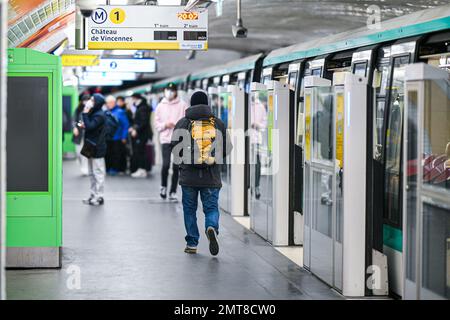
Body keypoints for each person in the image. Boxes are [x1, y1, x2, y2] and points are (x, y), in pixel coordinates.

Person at [171, 90, 232, 256]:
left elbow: (175, 149)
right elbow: (227, 147)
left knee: (189, 210)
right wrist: (213, 158)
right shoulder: (217, 123)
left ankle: (192, 243)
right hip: (211, 176)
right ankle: (211, 227)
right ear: (207, 104)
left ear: (191, 103)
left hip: (188, 177)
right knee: (211, 208)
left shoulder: (183, 123)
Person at [155, 83, 188, 200]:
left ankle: (173, 191)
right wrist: (165, 125)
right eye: (168, 90)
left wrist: (178, 126)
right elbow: (157, 123)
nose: (169, 92)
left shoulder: (183, 105)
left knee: (176, 166)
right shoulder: (160, 106)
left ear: (176, 92)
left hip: (179, 138)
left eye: (171, 90)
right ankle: (163, 186)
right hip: (165, 139)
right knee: (165, 164)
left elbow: (187, 120)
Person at [82, 94, 107, 206]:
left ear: (97, 102)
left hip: (97, 147)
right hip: (91, 146)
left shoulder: (99, 115)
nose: (89, 101)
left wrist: (85, 113)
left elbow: (91, 126)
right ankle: (93, 195)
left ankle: (99, 196)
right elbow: (90, 126)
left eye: (92, 100)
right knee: (91, 173)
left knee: (98, 172)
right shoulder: (95, 113)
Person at [105, 95, 130, 175]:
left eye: (109, 103)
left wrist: (123, 136)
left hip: (117, 137)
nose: (107, 104)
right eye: (107, 103)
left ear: (113, 102)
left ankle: (116, 168)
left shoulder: (120, 112)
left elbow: (125, 125)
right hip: (108, 138)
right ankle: (108, 168)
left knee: (116, 154)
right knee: (108, 154)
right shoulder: (106, 112)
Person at [129, 93, 152, 178]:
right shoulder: (142, 107)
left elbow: (143, 122)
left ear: (137, 99)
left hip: (142, 134)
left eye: (133, 99)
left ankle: (142, 169)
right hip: (143, 133)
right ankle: (142, 169)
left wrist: (135, 129)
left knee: (141, 152)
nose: (132, 101)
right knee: (141, 151)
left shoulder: (142, 108)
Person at [73, 94, 90, 176]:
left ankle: (85, 168)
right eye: (84, 100)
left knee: (85, 152)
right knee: (78, 152)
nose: (86, 102)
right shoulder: (78, 110)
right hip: (78, 134)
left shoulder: (91, 109)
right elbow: (74, 121)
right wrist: (76, 127)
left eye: (88, 100)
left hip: (87, 134)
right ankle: (82, 165)